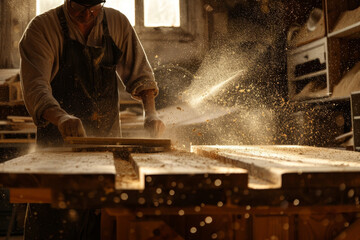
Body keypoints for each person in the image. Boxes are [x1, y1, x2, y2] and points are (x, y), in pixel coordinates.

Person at [19, 0, 165, 239]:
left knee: (102, 226)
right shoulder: (42, 28)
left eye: (95, 8)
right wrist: (62, 118)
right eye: (80, 8)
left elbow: (141, 75)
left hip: (107, 153)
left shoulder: (116, 23)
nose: (88, 14)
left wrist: (151, 114)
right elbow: (36, 88)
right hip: (57, 152)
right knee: (53, 225)